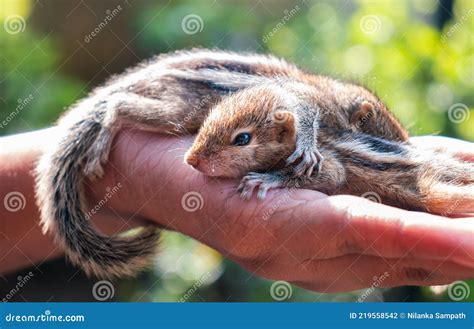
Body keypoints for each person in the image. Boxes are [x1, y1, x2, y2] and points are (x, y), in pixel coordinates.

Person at [0, 127, 472, 292]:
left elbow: (327, 170)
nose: (194, 162)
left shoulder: (304, 153)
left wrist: (130, 176)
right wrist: (134, 174)